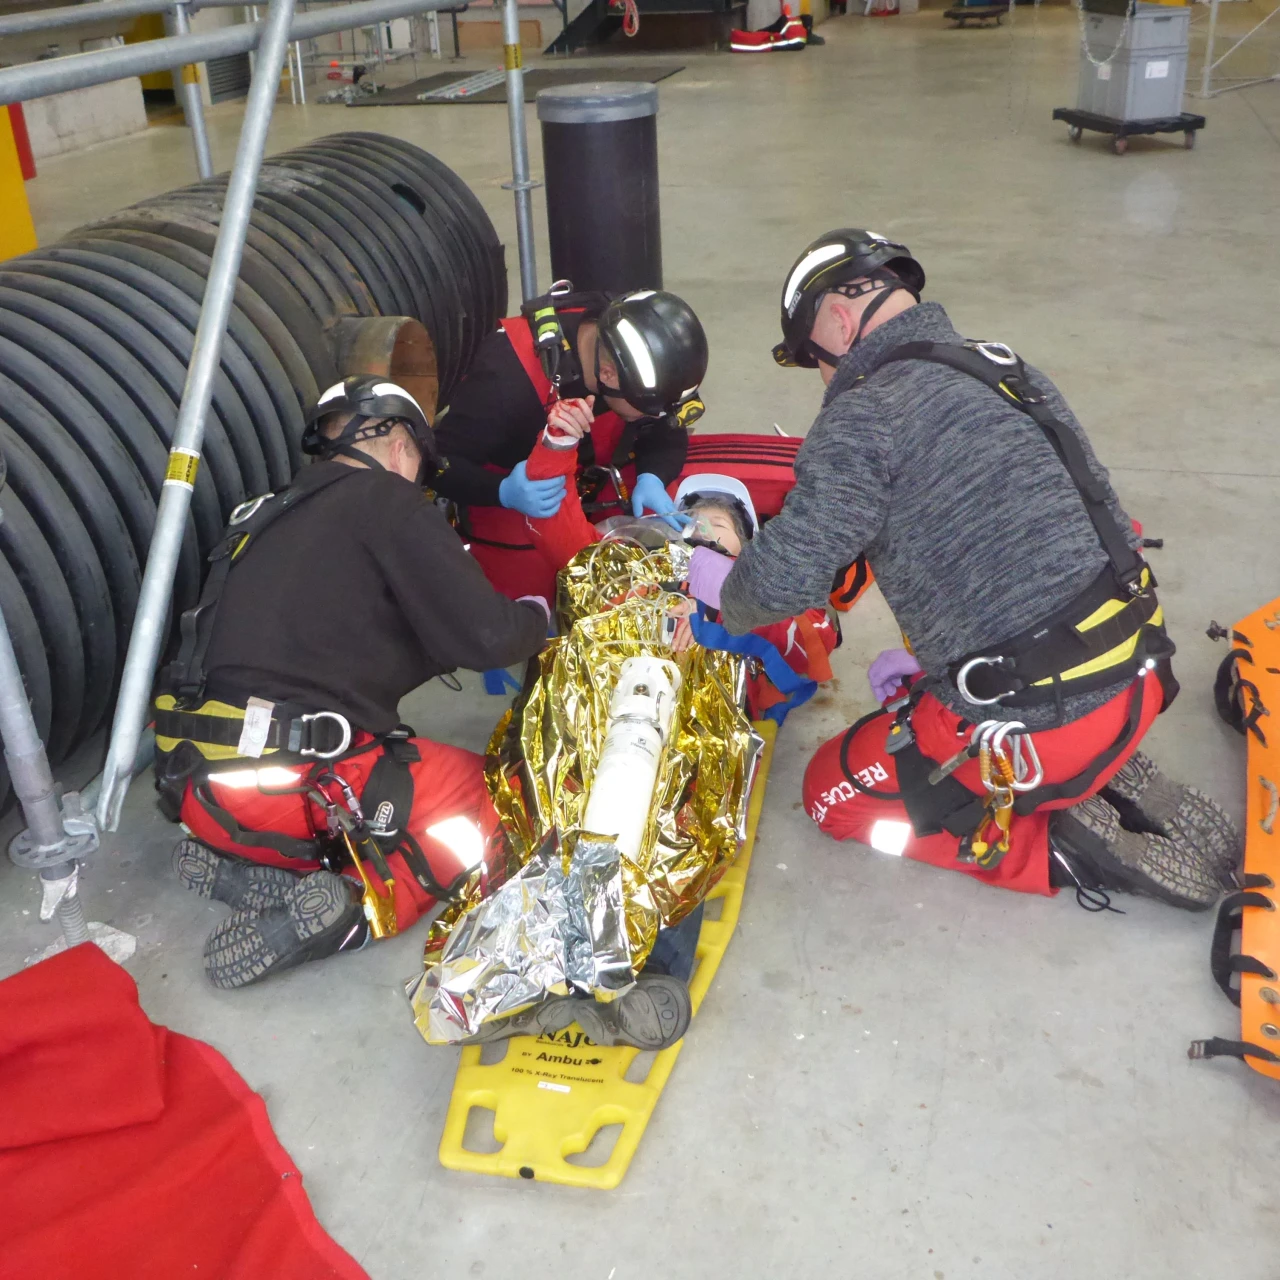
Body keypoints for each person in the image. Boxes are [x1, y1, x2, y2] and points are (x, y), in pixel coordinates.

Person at [683, 228, 1239, 912]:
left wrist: (718, 587)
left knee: (831, 798)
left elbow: (782, 581)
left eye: (811, 359)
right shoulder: (1003, 368)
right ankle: (1095, 766)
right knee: (944, 702)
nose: (822, 379)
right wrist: (940, 672)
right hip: (1139, 667)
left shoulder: (862, 415)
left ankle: (1054, 843)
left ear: (834, 316)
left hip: (1037, 722)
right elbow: (1032, 541)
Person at [151, 377, 552, 989]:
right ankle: (356, 910)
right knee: (503, 797)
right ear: (398, 445)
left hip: (192, 787)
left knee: (373, 770)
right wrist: (543, 617)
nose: (420, 480)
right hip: (286, 791)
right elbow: (489, 637)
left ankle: (267, 875)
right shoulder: (390, 501)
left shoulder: (261, 514)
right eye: (421, 463)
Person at [519, 394, 838, 722]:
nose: (702, 530)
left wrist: (722, 608)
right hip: (608, 697)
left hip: (704, 723)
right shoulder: (644, 566)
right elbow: (570, 547)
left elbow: (817, 638)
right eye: (691, 521)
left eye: (718, 524)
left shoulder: (766, 586)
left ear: (747, 547)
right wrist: (556, 446)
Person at [431, 286, 709, 601]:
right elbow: (435, 465)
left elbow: (664, 428)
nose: (655, 416)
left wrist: (654, 475)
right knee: (537, 604)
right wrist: (501, 491)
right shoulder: (505, 381)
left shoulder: (626, 348)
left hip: (591, 477)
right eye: (649, 409)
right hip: (514, 501)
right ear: (609, 376)